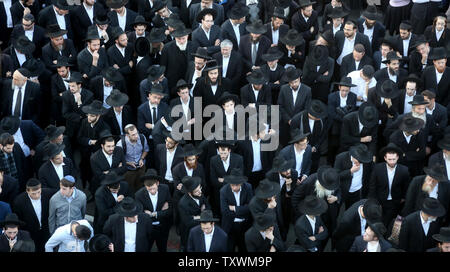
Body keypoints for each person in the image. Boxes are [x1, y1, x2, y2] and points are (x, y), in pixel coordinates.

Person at [291, 166, 341, 239]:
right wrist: (304, 214)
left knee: (326, 234)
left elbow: (339, 191)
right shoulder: (309, 182)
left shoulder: (333, 179)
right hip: (312, 214)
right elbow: (295, 198)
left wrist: (336, 198)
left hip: (327, 214)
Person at [368, 143, 410, 227]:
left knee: (392, 221)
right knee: (378, 220)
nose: (392, 162)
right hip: (380, 200)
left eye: (394, 159)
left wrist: (403, 198)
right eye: (389, 159)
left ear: (397, 157)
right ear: (385, 158)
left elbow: (406, 186)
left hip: (395, 201)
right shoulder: (377, 168)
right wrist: (373, 200)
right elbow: (372, 185)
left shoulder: (404, 170)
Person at [135, 169, 173, 252]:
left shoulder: (165, 189)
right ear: (145, 186)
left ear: (158, 183)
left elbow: (170, 210)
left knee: (162, 248)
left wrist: (155, 214)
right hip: (147, 227)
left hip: (163, 226)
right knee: (146, 248)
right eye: (149, 189)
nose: (152, 191)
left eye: (154, 188)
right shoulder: (139, 195)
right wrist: (161, 211)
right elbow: (139, 213)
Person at [12, 178, 53, 252]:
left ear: (41, 189)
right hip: (30, 234)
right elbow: (19, 219)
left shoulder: (48, 194)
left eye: (39, 192)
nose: (37, 195)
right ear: (27, 191)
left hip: (46, 231)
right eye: (33, 193)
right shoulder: (19, 201)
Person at [219, 168, 253, 252]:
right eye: (232, 185)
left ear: (241, 183)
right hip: (230, 225)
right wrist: (243, 211)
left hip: (245, 225)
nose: (234, 188)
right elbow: (225, 211)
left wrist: (234, 208)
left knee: (244, 248)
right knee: (229, 248)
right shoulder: (223, 191)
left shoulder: (248, 187)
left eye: (236, 185)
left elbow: (251, 207)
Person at [277, 67, 312, 145]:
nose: (294, 84)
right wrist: (288, 119)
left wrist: (295, 120)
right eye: (291, 82)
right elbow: (280, 106)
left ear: (299, 79)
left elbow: (307, 108)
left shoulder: (307, 90)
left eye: (295, 82)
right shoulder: (283, 89)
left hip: (300, 124)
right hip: (286, 123)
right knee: (285, 144)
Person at [209, 140, 243, 216]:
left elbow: (240, 178)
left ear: (229, 150)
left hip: (234, 192)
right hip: (219, 193)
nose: (223, 156)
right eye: (221, 153)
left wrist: (223, 180)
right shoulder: (213, 160)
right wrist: (231, 180)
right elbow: (213, 180)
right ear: (218, 151)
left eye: (225, 153)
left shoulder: (238, 159)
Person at [178, 176, 211, 252]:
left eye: (200, 188)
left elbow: (209, 207)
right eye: (196, 191)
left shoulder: (200, 195)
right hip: (189, 232)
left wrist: (196, 217)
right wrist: (203, 215)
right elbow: (188, 222)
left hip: (202, 229)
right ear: (190, 193)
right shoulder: (183, 203)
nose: (200, 191)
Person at [160, 24, 197, 91]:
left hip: (190, 81)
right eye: (179, 39)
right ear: (175, 37)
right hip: (173, 85)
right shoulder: (167, 48)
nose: (182, 41)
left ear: (187, 36)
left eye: (183, 38)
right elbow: (163, 67)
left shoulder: (194, 46)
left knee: (196, 100)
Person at [90, 130, 127, 196]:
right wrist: (117, 169)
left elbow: (124, 168)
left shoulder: (119, 150)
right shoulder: (94, 158)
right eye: (108, 146)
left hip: (119, 182)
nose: (111, 149)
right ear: (102, 145)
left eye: (113, 146)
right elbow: (100, 176)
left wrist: (109, 171)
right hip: (104, 185)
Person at [61, 72, 94, 142]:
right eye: (69, 86)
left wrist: (79, 102)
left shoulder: (89, 95)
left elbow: (87, 113)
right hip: (72, 127)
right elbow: (65, 113)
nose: (70, 88)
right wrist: (79, 117)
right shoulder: (66, 95)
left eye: (73, 86)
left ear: (79, 85)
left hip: (85, 127)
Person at [116, 124, 149, 194]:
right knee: (130, 189)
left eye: (136, 133)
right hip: (128, 171)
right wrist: (128, 163)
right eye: (133, 135)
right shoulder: (121, 144)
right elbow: (118, 160)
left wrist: (141, 159)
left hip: (141, 168)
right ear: (127, 135)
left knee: (140, 188)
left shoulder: (142, 138)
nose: (136, 136)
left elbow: (146, 150)